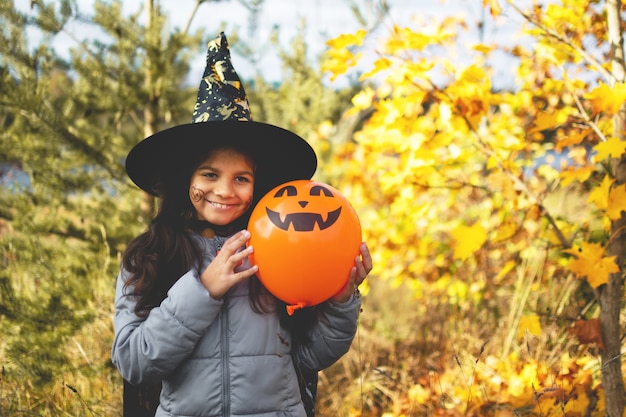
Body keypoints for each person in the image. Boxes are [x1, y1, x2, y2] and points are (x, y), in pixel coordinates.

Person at [111, 32, 372, 417]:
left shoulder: (282, 248)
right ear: (187, 179)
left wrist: (339, 302)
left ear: (258, 185)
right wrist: (202, 291)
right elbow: (134, 362)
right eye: (210, 175)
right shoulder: (150, 255)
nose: (224, 191)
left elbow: (311, 355)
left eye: (241, 179)